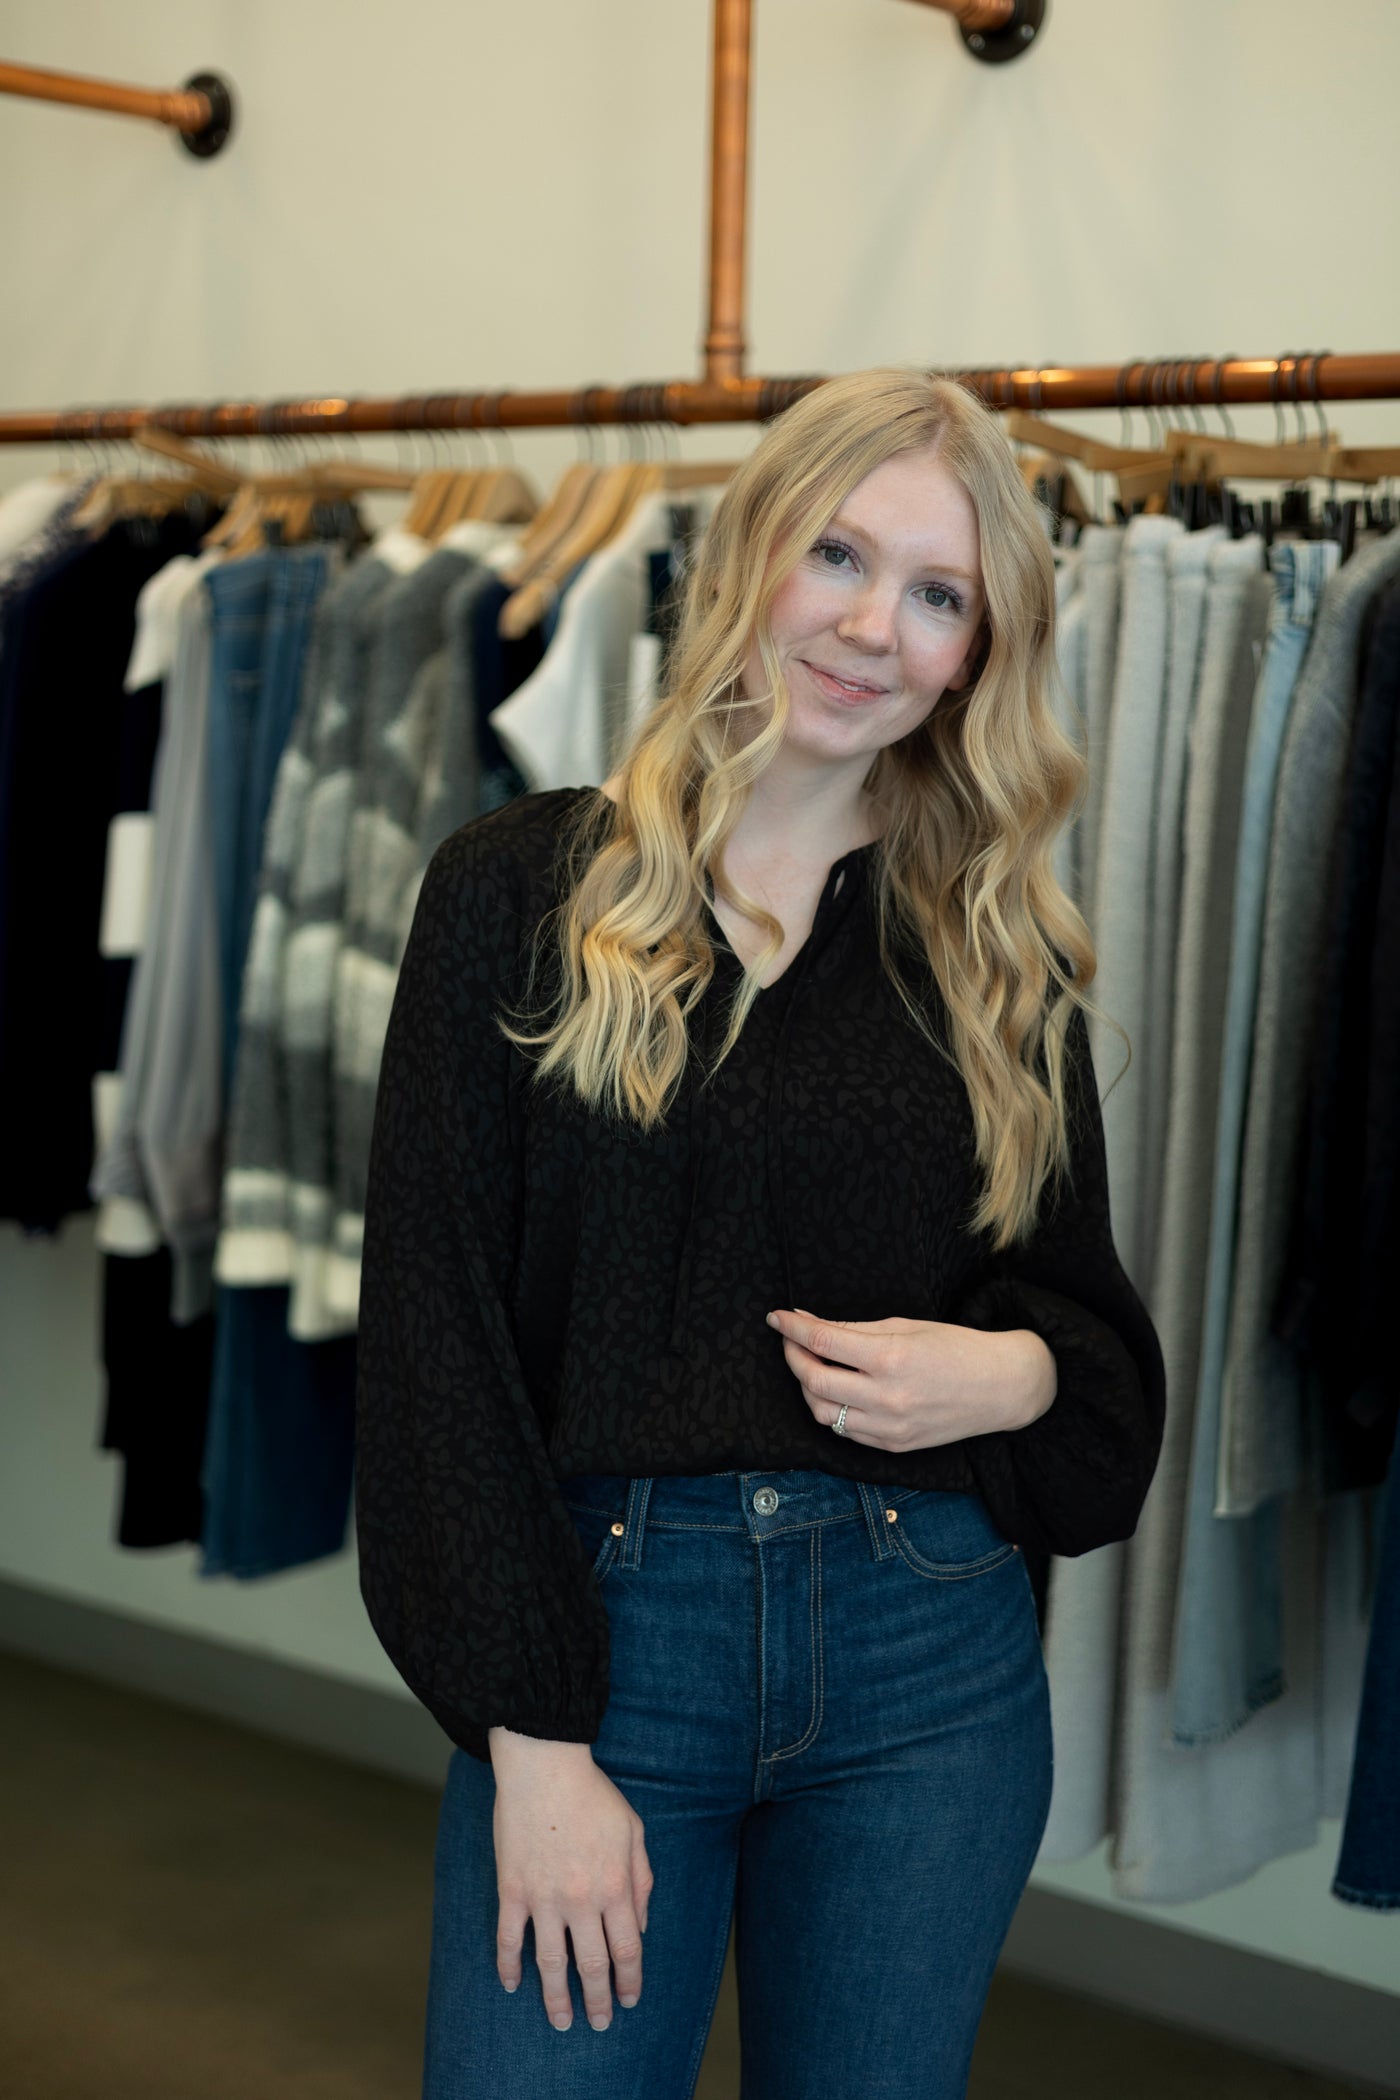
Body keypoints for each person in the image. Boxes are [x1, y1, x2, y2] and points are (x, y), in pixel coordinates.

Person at [354, 367, 1166, 2100]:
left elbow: (1095, 1362)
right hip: (606, 1642)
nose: (875, 628)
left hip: (929, 1659)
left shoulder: (995, 950)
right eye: (841, 557)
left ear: (977, 651)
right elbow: (434, 1344)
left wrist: (1015, 1375)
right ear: (751, 557)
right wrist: (536, 1742)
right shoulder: (516, 887)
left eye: (937, 594)